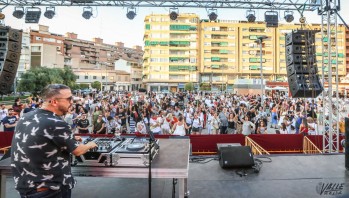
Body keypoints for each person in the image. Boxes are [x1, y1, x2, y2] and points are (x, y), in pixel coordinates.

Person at [11, 84, 97, 198]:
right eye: (69, 99)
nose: (72, 102)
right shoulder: (56, 122)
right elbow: (78, 151)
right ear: (54, 102)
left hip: (27, 187)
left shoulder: (26, 117)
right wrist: (90, 144)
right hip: (49, 189)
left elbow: (38, 138)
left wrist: (67, 139)